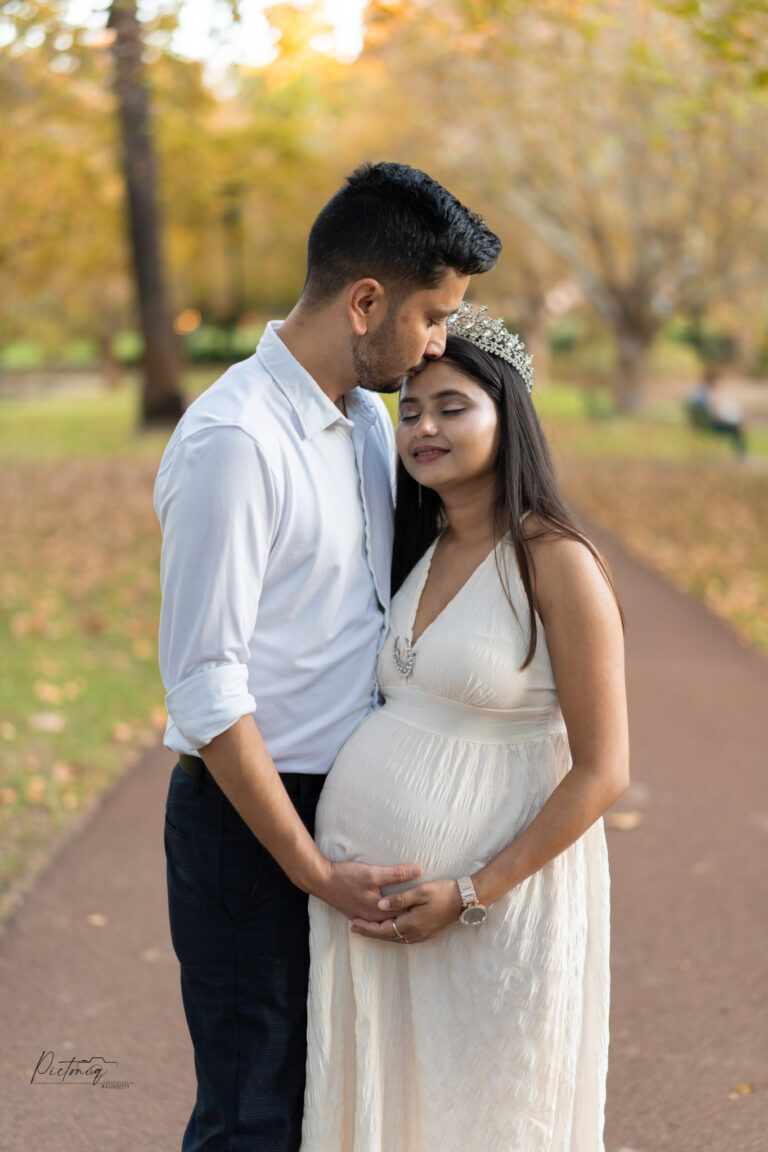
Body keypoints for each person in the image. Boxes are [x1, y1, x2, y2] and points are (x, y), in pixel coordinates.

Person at [154, 164, 501, 1152]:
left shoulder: (366, 421)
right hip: (255, 824)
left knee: (335, 1103)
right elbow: (206, 687)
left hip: (349, 819)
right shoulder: (235, 440)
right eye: (432, 316)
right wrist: (309, 868)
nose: (437, 342)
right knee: (253, 1115)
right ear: (366, 302)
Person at [302, 304, 629, 1152]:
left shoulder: (557, 560)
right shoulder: (420, 546)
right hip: (371, 917)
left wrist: (473, 894)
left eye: (452, 407)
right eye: (410, 410)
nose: (424, 429)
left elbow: (603, 771)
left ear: (506, 416)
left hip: (493, 905)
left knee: (484, 1114)